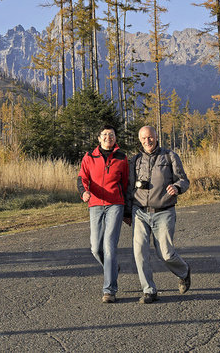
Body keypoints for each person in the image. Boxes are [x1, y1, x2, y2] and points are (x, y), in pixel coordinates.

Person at [127, 125, 191, 304]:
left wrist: (177, 187)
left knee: (166, 253)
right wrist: (126, 211)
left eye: (150, 137)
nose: (147, 141)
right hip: (139, 211)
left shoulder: (170, 156)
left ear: (156, 137)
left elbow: (183, 180)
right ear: (139, 140)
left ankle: (184, 272)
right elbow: (129, 187)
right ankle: (149, 290)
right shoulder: (135, 160)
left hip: (164, 211)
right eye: (144, 138)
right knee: (139, 252)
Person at [77, 124, 129, 303]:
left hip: (116, 204)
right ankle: (112, 267)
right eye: (105, 135)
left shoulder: (122, 158)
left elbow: (126, 184)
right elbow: (82, 178)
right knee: (95, 248)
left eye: (112, 134)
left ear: (115, 138)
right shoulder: (89, 157)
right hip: (95, 204)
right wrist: (84, 191)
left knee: (109, 245)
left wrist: (127, 210)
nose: (108, 137)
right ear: (99, 138)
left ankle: (109, 290)